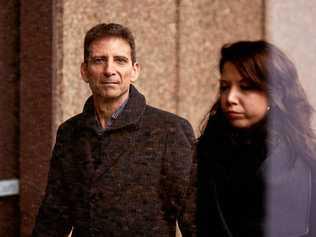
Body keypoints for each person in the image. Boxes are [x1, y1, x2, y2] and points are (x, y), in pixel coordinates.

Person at [32, 23, 195, 237]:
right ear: (84, 71)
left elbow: (194, 219)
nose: (110, 70)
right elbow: (53, 217)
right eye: (99, 60)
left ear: (134, 70)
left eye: (120, 60)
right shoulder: (70, 132)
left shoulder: (169, 130)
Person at [196, 40, 316, 236]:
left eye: (246, 87)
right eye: (225, 87)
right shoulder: (208, 149)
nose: (231, 98)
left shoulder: (300, 159)